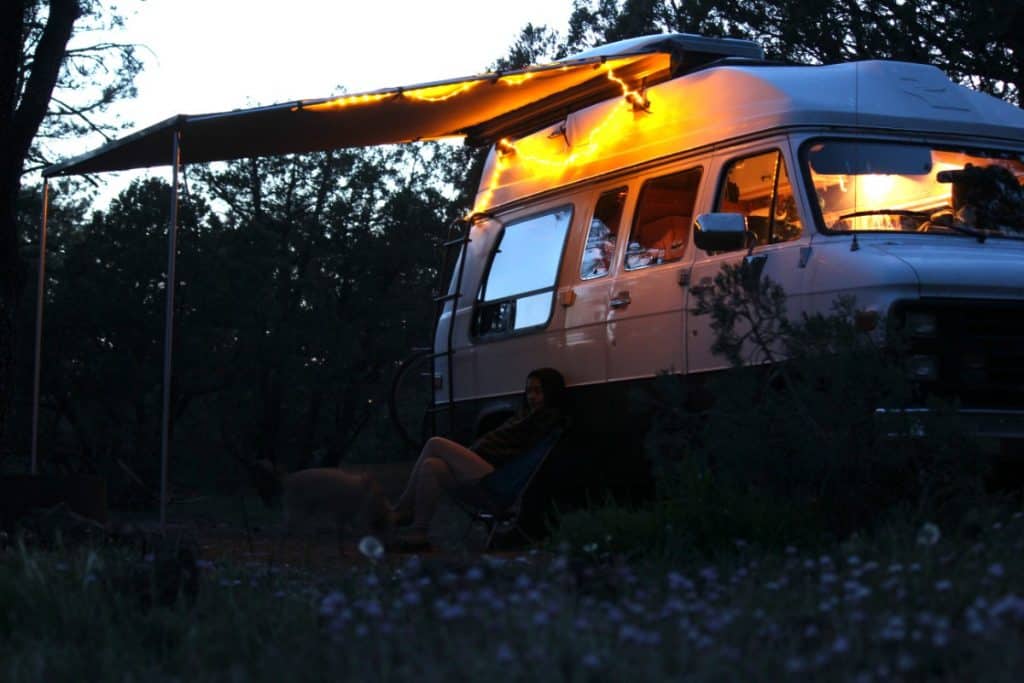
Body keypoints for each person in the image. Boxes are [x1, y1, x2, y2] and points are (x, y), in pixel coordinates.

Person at [391, 367, 566, 548]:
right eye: (529, 391)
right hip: (483, 470)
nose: (531, 397)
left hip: (495, 480)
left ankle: (402, 509)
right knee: (432, 465)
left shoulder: (545, 420)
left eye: (538, 391)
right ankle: (419, 532)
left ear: (550, 392)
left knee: (435, 443)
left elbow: (510, 453)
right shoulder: (525, 416)